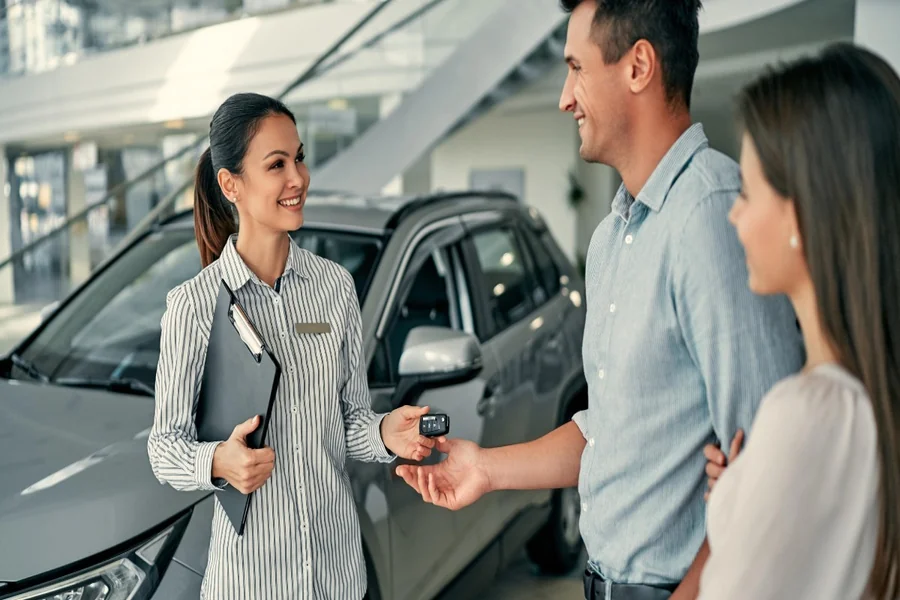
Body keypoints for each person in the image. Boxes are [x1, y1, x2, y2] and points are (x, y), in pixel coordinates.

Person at [396, 1, 805, 598]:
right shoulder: (614, 235)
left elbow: (771, 469)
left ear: (639, 65)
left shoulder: (710, 216)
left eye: (576, 68)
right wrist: (483, 467)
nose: (565, 97)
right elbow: (607, 432)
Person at [147, 92, 440, 600]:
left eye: (299, 158)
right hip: (251, 583)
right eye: (277, 164)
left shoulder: (334, 287)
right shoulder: (194, 306)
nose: (298, 179)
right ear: (230, 184)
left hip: (339, 574)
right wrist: (220, 461)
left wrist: (387, 432)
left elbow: (348, 422)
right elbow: (164, 448)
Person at [698, 43, 900, 600]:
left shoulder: (808, 416)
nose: (734, 213)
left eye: (747, 190)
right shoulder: (865, 402)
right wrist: (747, 492)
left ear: (801, 215)